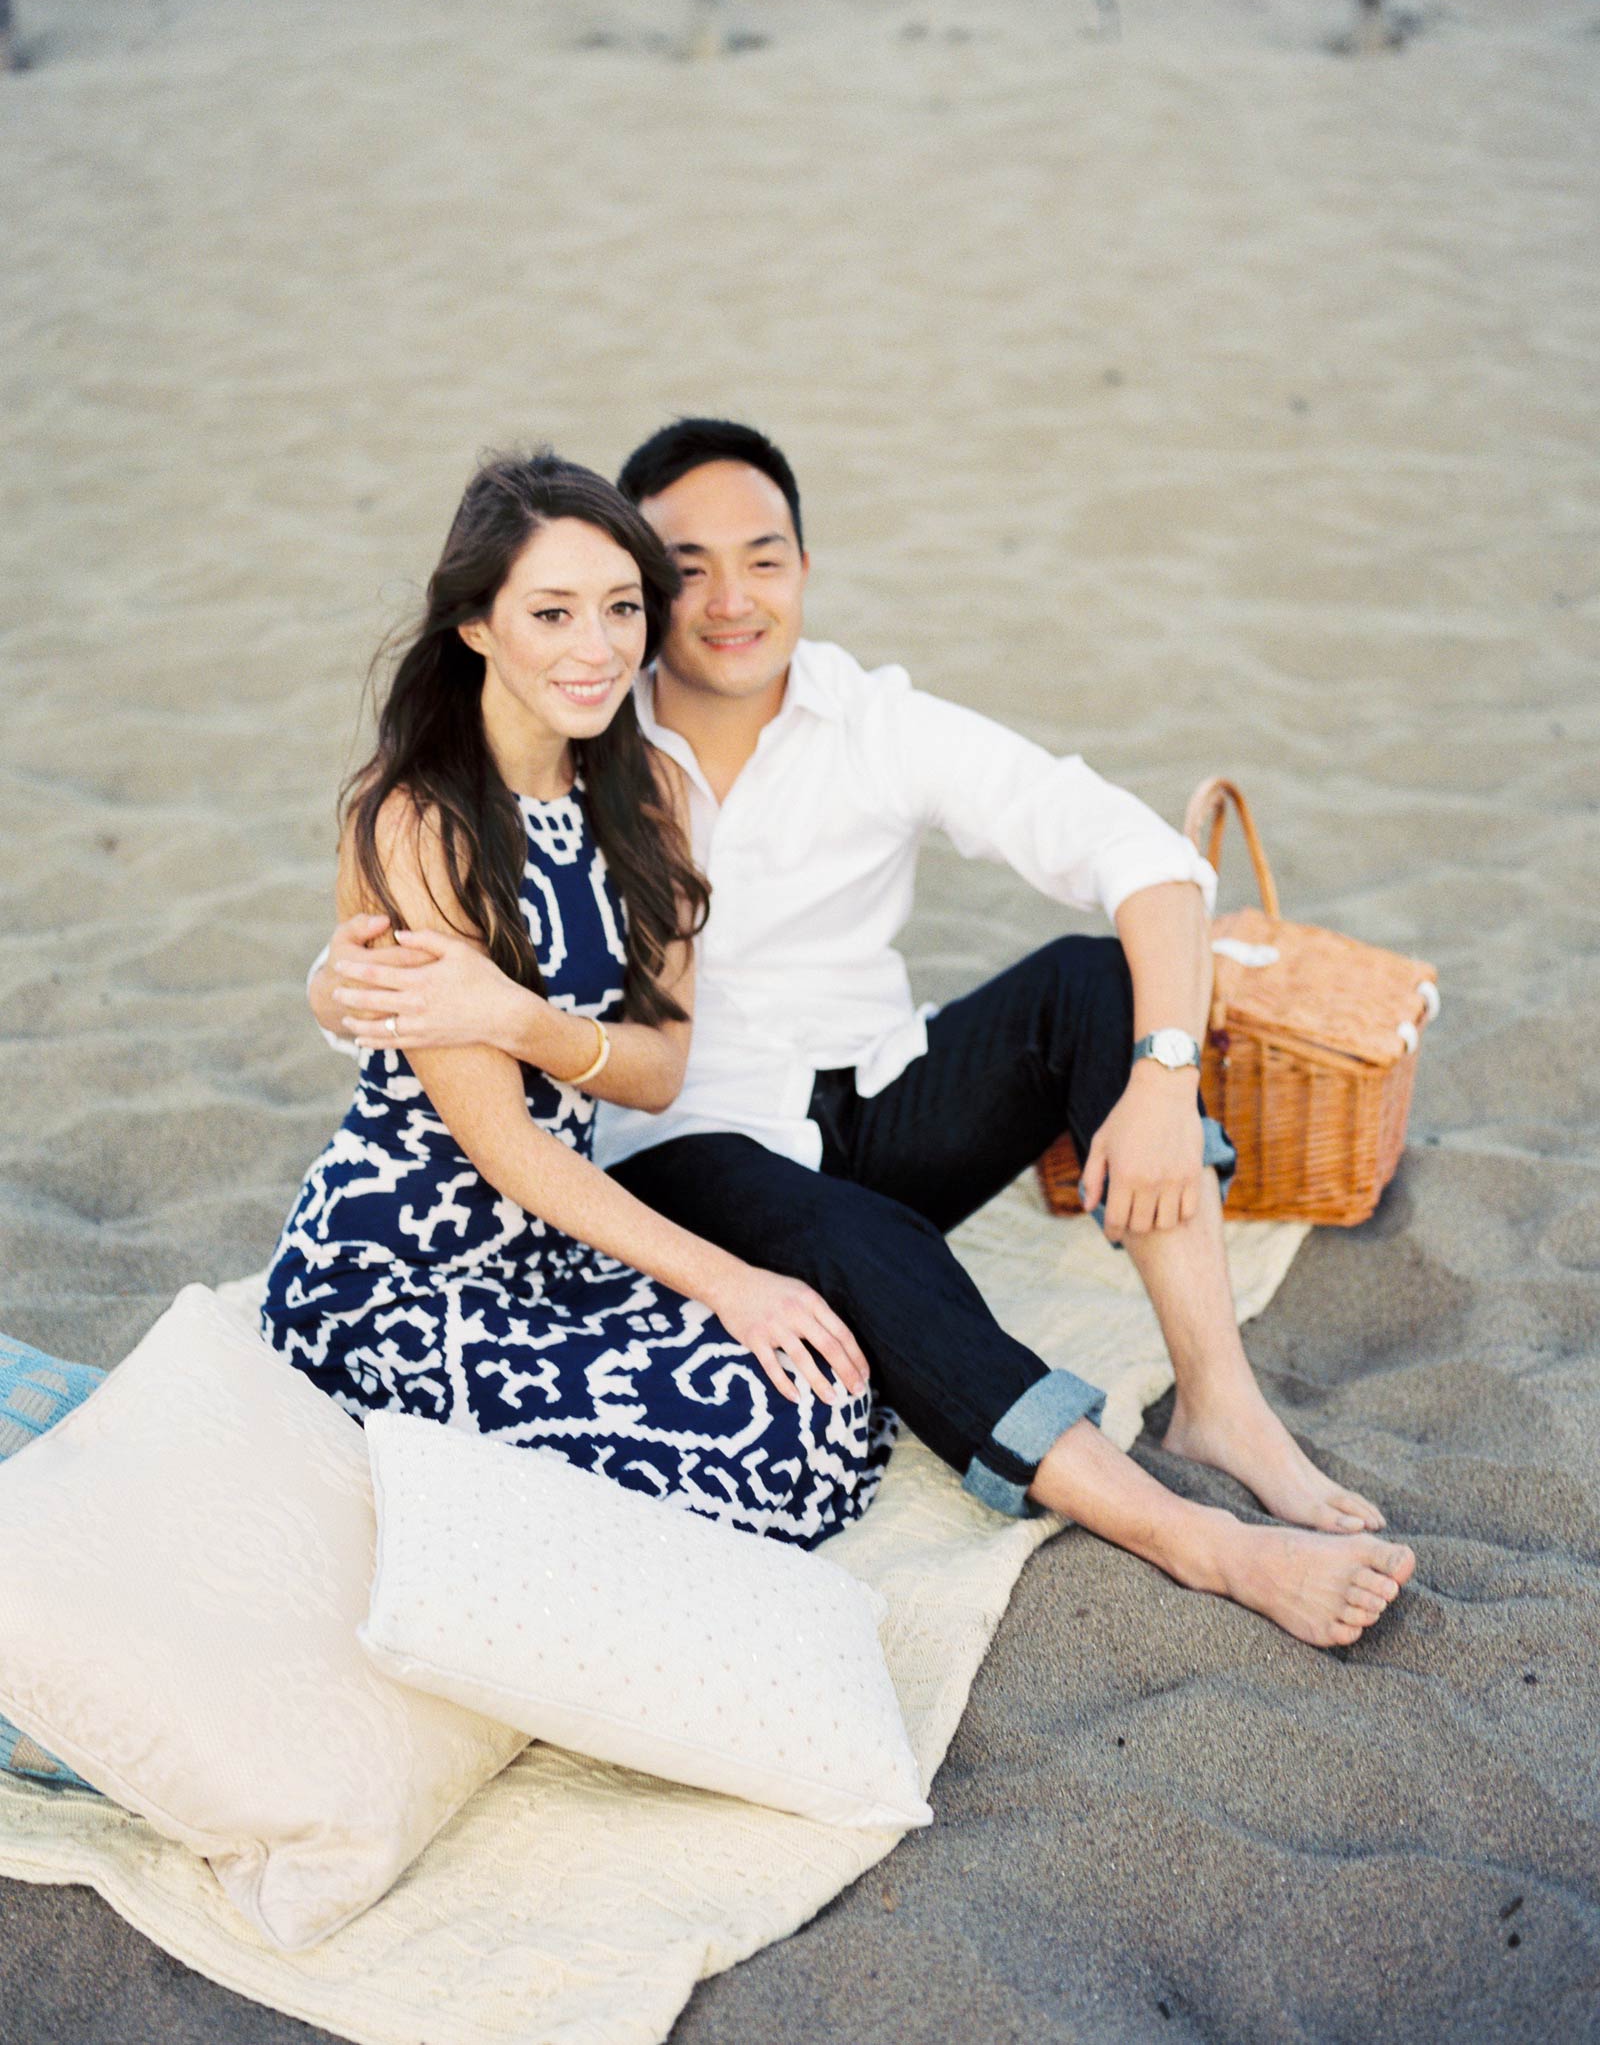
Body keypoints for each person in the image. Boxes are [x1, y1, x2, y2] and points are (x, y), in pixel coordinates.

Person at [312, 420, 1415, 1647]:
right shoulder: (585, 718)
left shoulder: (806, 739)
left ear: (803, 568)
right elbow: (431, 910)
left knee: (1092, 984)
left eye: (765, 560)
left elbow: (1139, 853)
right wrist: (339, 970)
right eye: (684, 569)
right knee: (857, 1248)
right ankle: (1190, 1537)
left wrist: (1163, 1076)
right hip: (685, 1149)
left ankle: (1219, 1402)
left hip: (864, 1097)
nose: (727, 600)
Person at [265, 449, 892, 1548]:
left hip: (550, 1250)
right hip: (396, 1273)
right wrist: (729, 1280)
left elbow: (656, 1072)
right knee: (762, 1438)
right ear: (476, 627)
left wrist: (512, 1015)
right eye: (550, 614)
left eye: (619, 609)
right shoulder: (418, 820)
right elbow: (502, 1145)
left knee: (829, 1400)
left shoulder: (643, 789)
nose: (596, 649)